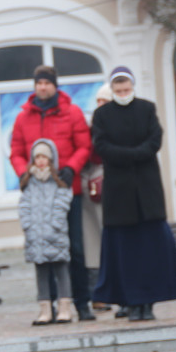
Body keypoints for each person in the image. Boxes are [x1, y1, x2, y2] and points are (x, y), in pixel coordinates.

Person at [91, 66, 176, 321]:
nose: (123, 94)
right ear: (112, 90)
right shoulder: (102, 115)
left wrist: (135, 154)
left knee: (151, 253)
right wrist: (130, 156)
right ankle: (131, 303)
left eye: (126, 89)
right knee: (125, 255)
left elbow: (155, 139)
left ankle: (149, 303)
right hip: (119, 197)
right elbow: (101, 145)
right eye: (119, 90)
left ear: (132, 87)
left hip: (147, 193)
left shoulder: (146, 108)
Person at [10, 65, 95, 321]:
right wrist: (23, 173)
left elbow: (84, 146)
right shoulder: (23, 118)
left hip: (68, 191)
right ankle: (50, 305)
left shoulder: (72, 112)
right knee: (43, 250)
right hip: (38, 196)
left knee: (75, 249)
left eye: (47, 83)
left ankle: (81, 303)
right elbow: (16, 152)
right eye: (39, 83)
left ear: (55, 85)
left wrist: (71, 168)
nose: (43, 87)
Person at [19, 139, 74, 325]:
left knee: (61, 270)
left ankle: (64, 307)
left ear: (51, 160)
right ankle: (45, 309)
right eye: (38, 157)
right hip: (36, 236)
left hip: (55, 234)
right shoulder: (29, 183)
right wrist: (28, 226)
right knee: (41, 272)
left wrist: (55, 225)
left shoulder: (59, 181)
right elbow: (24, 206)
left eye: (44, 157)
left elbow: (62, 202)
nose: (41, 161)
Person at [81, 84, 112, 312]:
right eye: (98, 101)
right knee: (92, 240)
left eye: (105, 101)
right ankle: (97, 293)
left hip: (112, 183)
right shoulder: (89, 127)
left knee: (111, 240)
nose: (101, 105)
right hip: (90, 186)